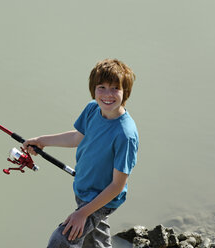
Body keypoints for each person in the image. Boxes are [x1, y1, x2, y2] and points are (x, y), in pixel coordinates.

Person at [23, 58, 139, 248]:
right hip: (84, 188)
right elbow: (77, 138)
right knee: (95, 241)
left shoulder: (125, 134)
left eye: (114, 88)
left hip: (102, 199)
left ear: (125, 92)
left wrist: (83, 213)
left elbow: (117, 186)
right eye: (101, 87)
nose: (107, 94)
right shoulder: (93, 109)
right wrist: (42, 141)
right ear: (93, 89)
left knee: (62, 238)